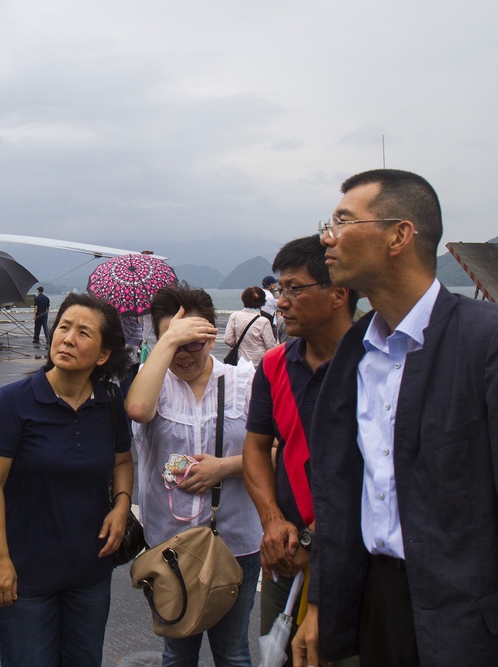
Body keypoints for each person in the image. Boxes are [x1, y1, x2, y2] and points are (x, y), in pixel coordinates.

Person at [298, 169, 498, 666]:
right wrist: (322, 603)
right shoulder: (356, 350)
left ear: (399, 235)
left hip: (469, 625)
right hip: (376, 606)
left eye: (343, 221)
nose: (327, 237)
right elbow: (345, 493)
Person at [0, 292, 134, 667]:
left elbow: (123, 460)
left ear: (102, 355)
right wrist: (0, 561)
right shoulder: (14, 403)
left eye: (83, 332)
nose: (67, 338)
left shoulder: (108, 403)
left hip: (89, 571)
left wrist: (122, 503)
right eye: (63, 327)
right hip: (25, 575)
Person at [125, 284, 262, 667]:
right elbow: (137, 409)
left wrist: (226, 467)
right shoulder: (152, 383)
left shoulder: (245, 382)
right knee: (178, 649)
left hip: (235, 542)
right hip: (169, 545)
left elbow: (275, 450)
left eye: (193, 344)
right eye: (173, 342)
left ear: (210, 336)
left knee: (233, 652)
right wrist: (169, 343)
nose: (183, 355)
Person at [240, 235, 358, 664]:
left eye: (294, 289)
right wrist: (272, 521)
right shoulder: (274, 365)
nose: (282, 302)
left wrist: (315, 540)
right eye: (279, 291)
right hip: (284, 550)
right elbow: (256, 448)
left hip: (352, 556)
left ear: (338, 294)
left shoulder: (373, 363)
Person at [223, 285, 276, 365]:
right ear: (262, 302)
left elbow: (228, 339)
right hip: (259, 363)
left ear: (244, 300)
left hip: (240, 362)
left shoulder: (235, 316)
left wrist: (240, 344)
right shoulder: (264, 321)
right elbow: (271, 346)